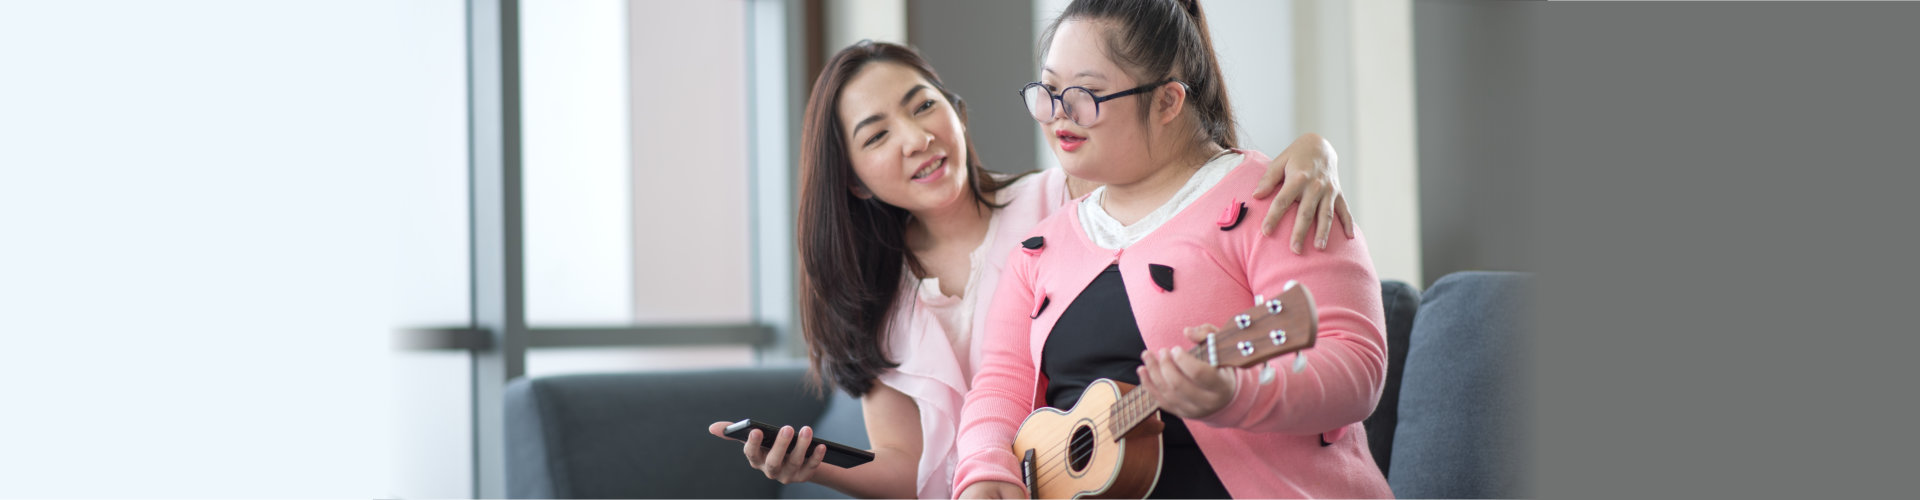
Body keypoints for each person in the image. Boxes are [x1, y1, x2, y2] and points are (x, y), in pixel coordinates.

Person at [707, 37, 1352, 498]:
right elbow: (910, 468)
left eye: (922, 105)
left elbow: (1184, 182)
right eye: (876, 135)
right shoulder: (875, 296)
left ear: (956, 112)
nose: (915, 137)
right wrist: (812, 468)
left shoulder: (1064, 200)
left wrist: (1312, 150)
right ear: (853, 183)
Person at [952, 0, 1392, 498]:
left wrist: (1236, 394)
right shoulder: (1038, 250)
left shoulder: (1281, 194)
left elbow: (1355, 366)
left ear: (1167, 101)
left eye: (1088, 93)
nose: (1059, 114)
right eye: (1050, 91)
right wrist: (985, 470)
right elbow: (1000, 386)